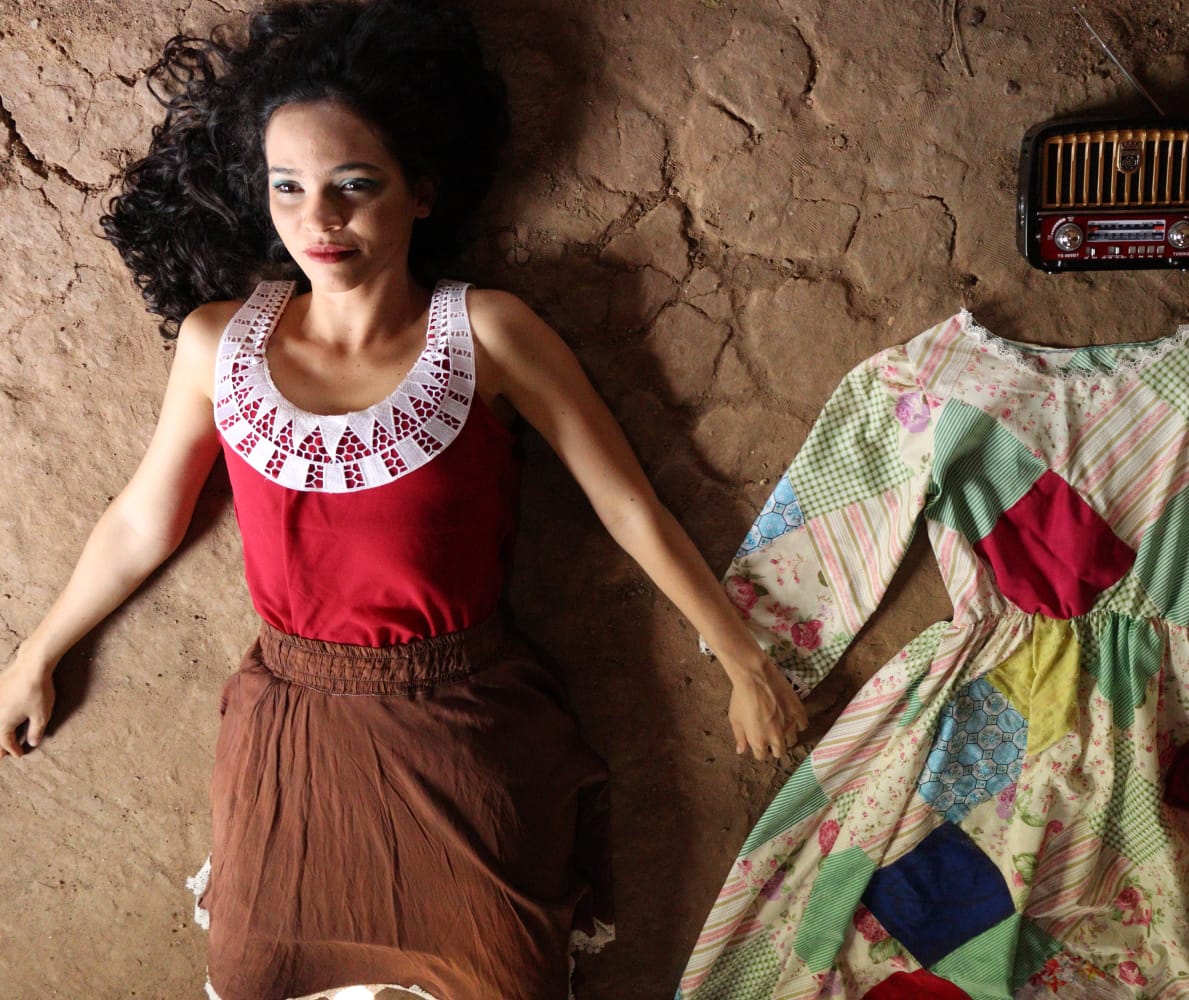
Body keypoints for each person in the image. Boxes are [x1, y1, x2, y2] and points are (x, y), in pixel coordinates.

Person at [0, 1, 807, 997]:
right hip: (289, 742)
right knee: (256, 975)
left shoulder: (489, 333)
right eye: (289, 188)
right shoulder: (219, 344)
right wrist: (37, 654)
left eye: (354, 184)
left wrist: (741, 659)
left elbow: (626, 504)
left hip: (464, 735)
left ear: (422, 191)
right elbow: (143, 518)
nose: (319, 220)